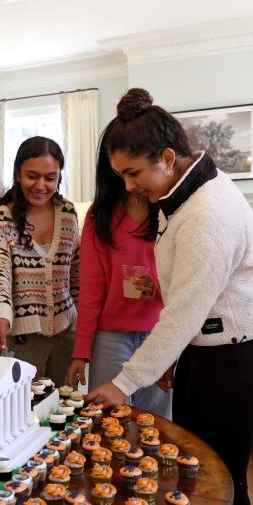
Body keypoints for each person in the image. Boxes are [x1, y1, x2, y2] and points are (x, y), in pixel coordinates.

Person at [86, 88, 253, 505]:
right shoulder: (181, 194)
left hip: (237, 356)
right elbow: (187, 309)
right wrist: (176, 358)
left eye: (133, 174)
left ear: (167, 159)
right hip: (206, 346)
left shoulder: (206, 214)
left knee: (225, 485)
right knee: (191, 476)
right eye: (121, 175)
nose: (128, 187)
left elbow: (182, 313)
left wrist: (123, 383)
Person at [64, 122, 171, 419]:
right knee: (107, 424)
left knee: (158, 426)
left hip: (159, 333)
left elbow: (181, 282)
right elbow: (91, 290)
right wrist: (80, 351)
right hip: (111, 337)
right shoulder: (101, 215)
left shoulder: (168, 209)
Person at [0, 136, 80, 385]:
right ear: (17, 174)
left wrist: (85, 327)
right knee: (22, 412)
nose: (41, 185)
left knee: (66, 412)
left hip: (66, 336)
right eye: (32, 176)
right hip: (22, 340)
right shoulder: (0, 221)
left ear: (59, 177)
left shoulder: (68, 214)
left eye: (50, 177)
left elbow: (77, 272)